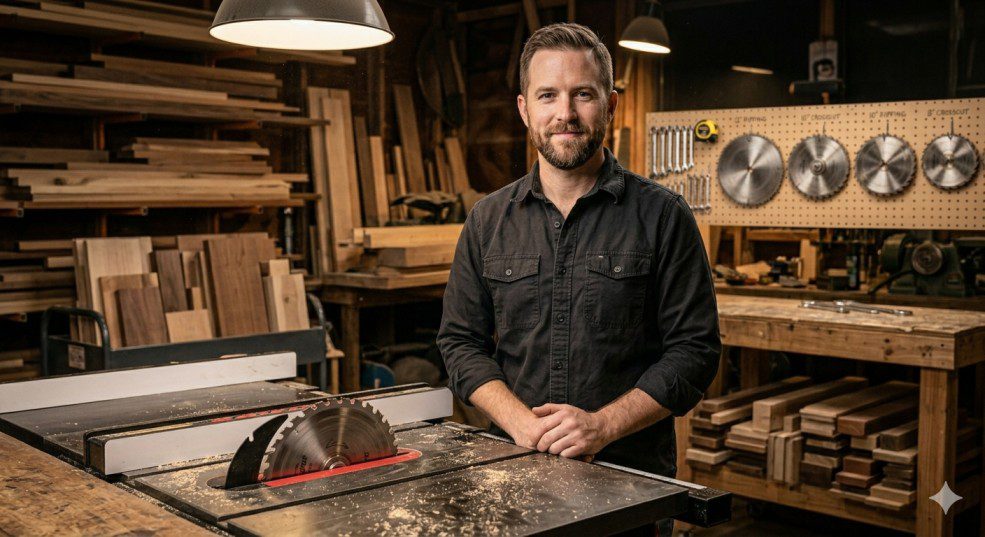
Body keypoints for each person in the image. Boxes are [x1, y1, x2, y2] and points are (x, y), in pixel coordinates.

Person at [437, 22, 721, 535]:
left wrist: (601, 426)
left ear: (610, 104)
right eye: (548, 95)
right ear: (525, 108)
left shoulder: (663, 216)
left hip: (629, 484)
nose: (565, 114)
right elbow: (460, 343)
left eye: (582, 95)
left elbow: (695, 351)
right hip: (510, 477)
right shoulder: (486, 221)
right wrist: (522, 424)